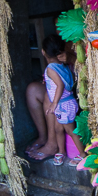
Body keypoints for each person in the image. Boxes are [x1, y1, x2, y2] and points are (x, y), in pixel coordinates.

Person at [33, 35, 84, 166]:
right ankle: (61, 151)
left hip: (63, 104)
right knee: (58, 129)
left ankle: (82, 154)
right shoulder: (63, 66)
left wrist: (54, 103)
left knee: (70, 130)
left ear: (43, 52)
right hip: (66, 103)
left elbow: (60, 85)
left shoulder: (50, 69)